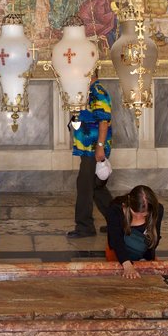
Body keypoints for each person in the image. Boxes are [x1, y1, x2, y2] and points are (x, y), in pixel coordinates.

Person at [67, 69, 112, 238]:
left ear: (90, 73)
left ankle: (85, 226)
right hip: (87, 148)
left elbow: (103, 121)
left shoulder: (98, 92)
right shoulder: (85, 92)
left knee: (85, 186)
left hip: (93, 149)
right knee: (95, 187)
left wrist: (100, 146)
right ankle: (118, 221)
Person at [105, 185, 164, 279]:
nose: (139, 217)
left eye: (144, 215)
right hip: (118, 253)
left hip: (143, 254)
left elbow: (153, 240)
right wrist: (127, 264)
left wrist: (145, 260)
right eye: (135, 213)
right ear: (129, 201)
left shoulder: (157, 210)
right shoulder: (115, 209)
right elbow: (115, 239)